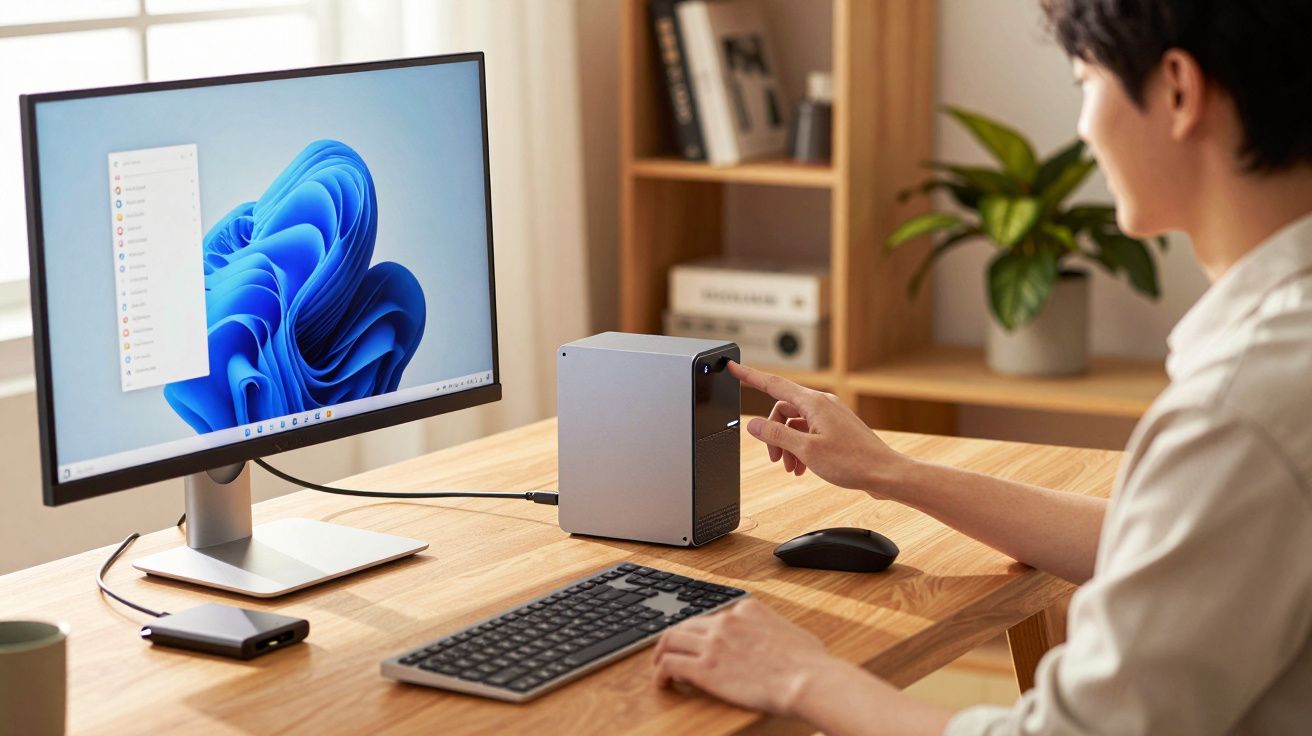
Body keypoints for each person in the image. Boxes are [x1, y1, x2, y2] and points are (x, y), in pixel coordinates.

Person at [651, 1, 1312, 733]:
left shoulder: (1243, 408)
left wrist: (803, 675)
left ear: (1179, 91)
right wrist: (886, 470)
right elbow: (1167, 543)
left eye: (1084, 82)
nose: (1085, 127)